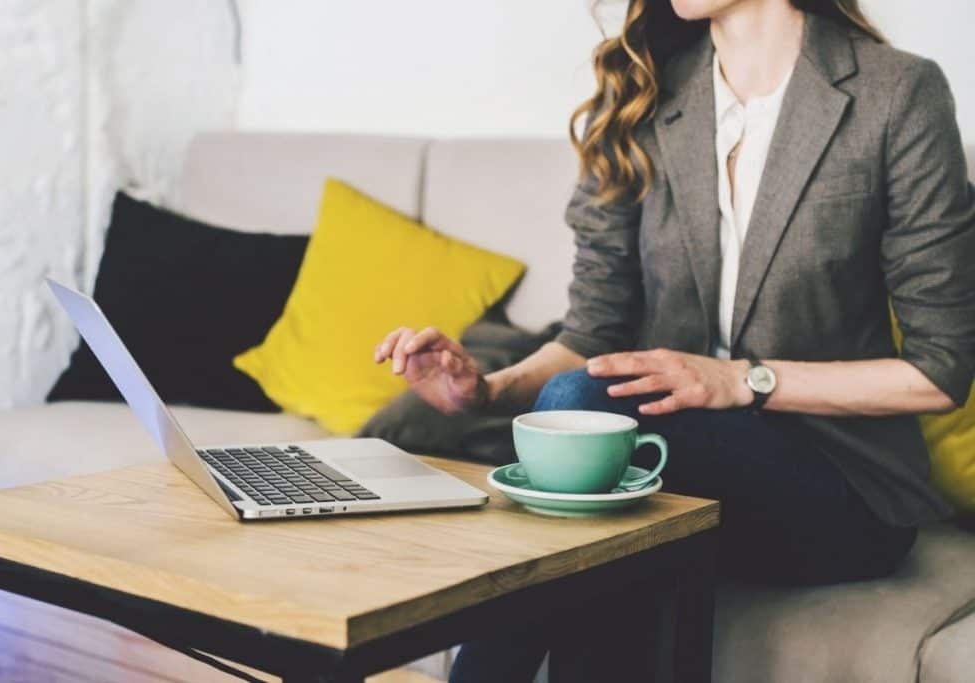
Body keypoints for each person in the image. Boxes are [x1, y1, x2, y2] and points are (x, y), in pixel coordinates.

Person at [375, 0, 975, 680]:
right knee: (611, 519)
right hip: (664, 465)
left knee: (593, 443)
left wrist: (742, 380)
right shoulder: (643, 97)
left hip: (841, 484)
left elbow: (939, 367)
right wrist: (485, 389)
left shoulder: (896, 94)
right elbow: (590, 336)